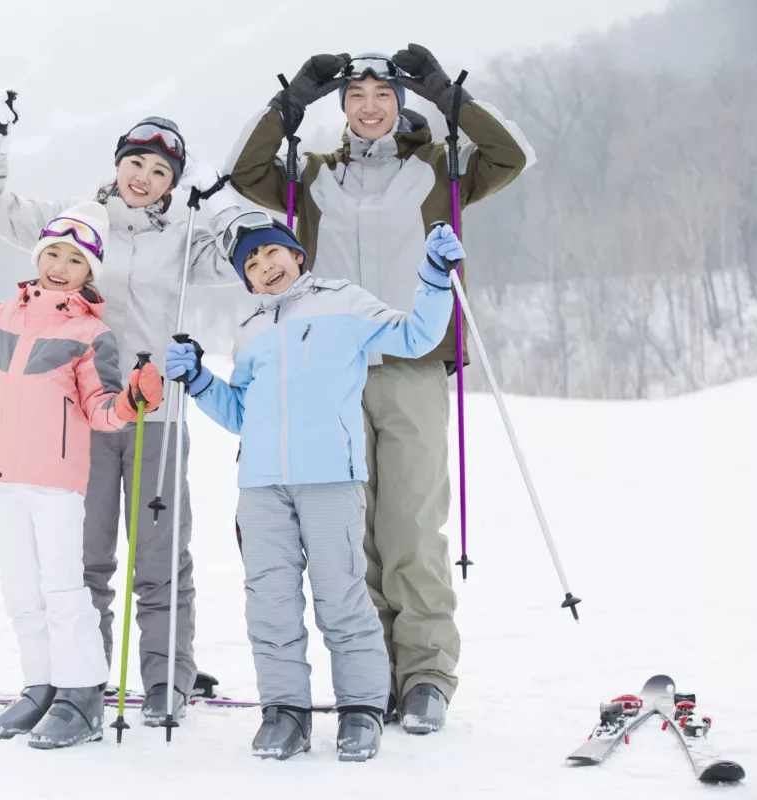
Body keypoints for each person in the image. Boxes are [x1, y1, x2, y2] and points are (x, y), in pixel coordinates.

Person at [227, 45, 536, 733]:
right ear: (341, 109)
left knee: (409, 526)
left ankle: (426, 674)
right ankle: (375, 677)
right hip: (327, 373)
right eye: (356, 96)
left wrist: (449, 98)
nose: (369, 106)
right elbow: (243, 169)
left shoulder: (437, 168)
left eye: (384, 95)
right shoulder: (309, 178)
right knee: (350, 531)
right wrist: (289, 106)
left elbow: (511, 157)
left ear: (401, 105)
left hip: (412, 363)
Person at [0, 97, 244, 725]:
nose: (142, 177)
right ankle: (77, 684)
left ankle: (167, 680)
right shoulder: (72, 222)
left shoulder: (185, 233)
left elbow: (250, 260)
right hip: (77, 418)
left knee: (160, 558)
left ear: (175, 184)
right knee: (82, 560)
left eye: (160, 171)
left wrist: (220, 196)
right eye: (134, 162)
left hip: (157, 414)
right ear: (117, 164)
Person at [165, 214, 462, 759]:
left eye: (271, 254)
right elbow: (241, 414)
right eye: (250, 266)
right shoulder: (250, 330)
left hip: (329, 479)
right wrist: (200, 380)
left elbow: (416, 335)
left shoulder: (343, 301)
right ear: (246, 282)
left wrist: (435, 278)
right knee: (269, 603)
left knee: (341, 595)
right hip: (260, 488)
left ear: (297, 255)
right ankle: (285, 711)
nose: (264, 268)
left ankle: (362, 708)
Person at [0, 201, 164, 749]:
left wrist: (131, 402)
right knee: (20, 591)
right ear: (37, 257)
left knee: (62, 589)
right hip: (4, 475)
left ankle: (81, 696)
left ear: (89, 272)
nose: (59, 265)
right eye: (52, 252)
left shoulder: (90, 333)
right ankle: (41, 685)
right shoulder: (3, 316)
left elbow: (101, 409)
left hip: (55, 480)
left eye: (75, 259)